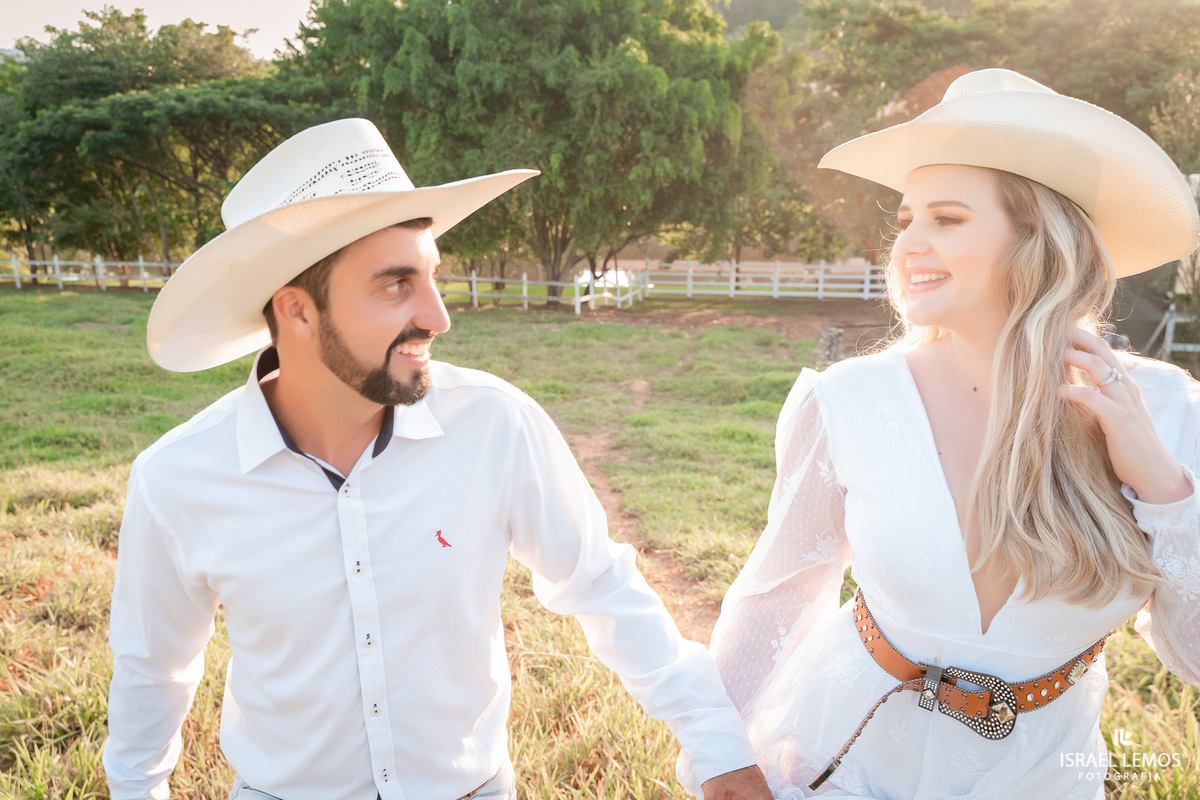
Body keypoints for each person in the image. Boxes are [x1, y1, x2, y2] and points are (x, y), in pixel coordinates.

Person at [102, 118, 773, 800]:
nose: (438, 315)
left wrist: (716, 746)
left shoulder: (494, 424)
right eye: (396, 286)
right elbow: (153, 669)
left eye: (431, 277)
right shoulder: (178, 479)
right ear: (298, 311)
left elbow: (601, 584)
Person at [680, 69, 1200, 799]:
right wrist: (721, 758)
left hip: (1042, 778)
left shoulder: (1170, 412)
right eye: (905, 222)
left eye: (947, 219)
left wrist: (1162, 485)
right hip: (843, 759)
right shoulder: (848, 400)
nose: (908, 247)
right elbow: (777, 597)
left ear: (1039, 237)